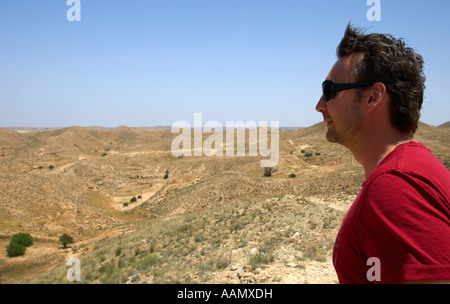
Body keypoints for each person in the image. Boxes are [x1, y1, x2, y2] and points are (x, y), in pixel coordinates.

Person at [315, 23, 450, 284]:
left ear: (373, 96)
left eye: (329, 91)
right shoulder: (410, 169)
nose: (319, 105)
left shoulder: (395, 186)